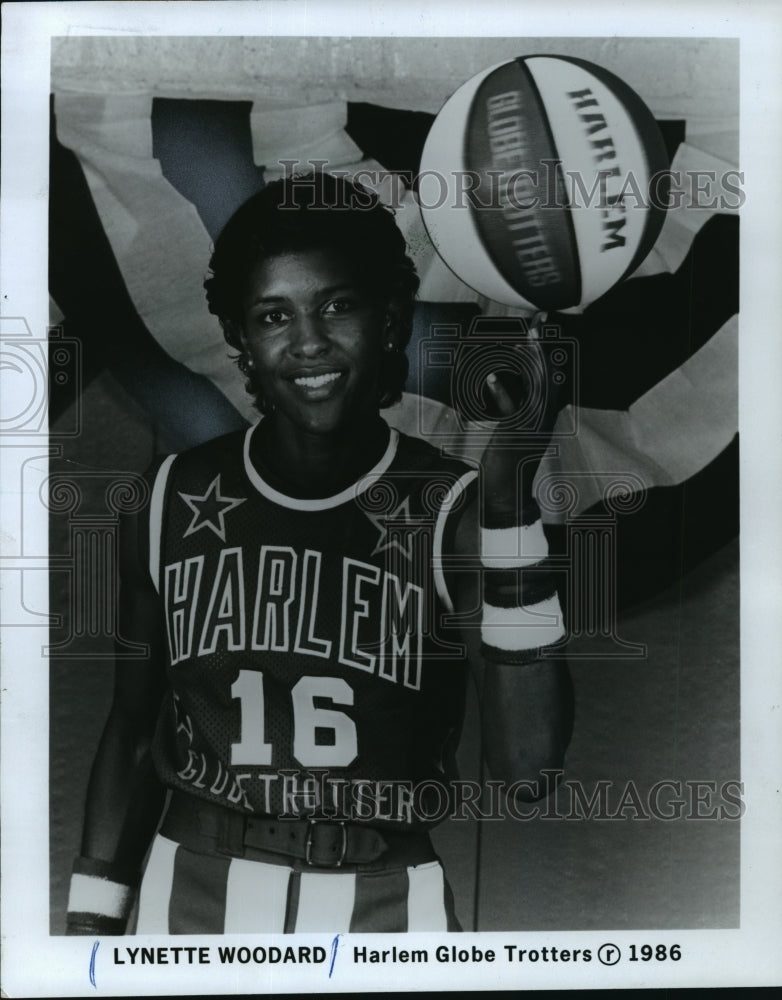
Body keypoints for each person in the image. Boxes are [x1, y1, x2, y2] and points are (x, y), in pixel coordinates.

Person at [66, 171, 572, 935]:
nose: (307, 342)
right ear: (240, 338)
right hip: (193, 888)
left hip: (385, 896)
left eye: (337, 305)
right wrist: (89, 926)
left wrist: (507, 502)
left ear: (391, 319)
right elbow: (134, 734)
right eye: (273, 315)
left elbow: (527, 771)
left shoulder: (454, 509)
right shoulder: (171, 495)